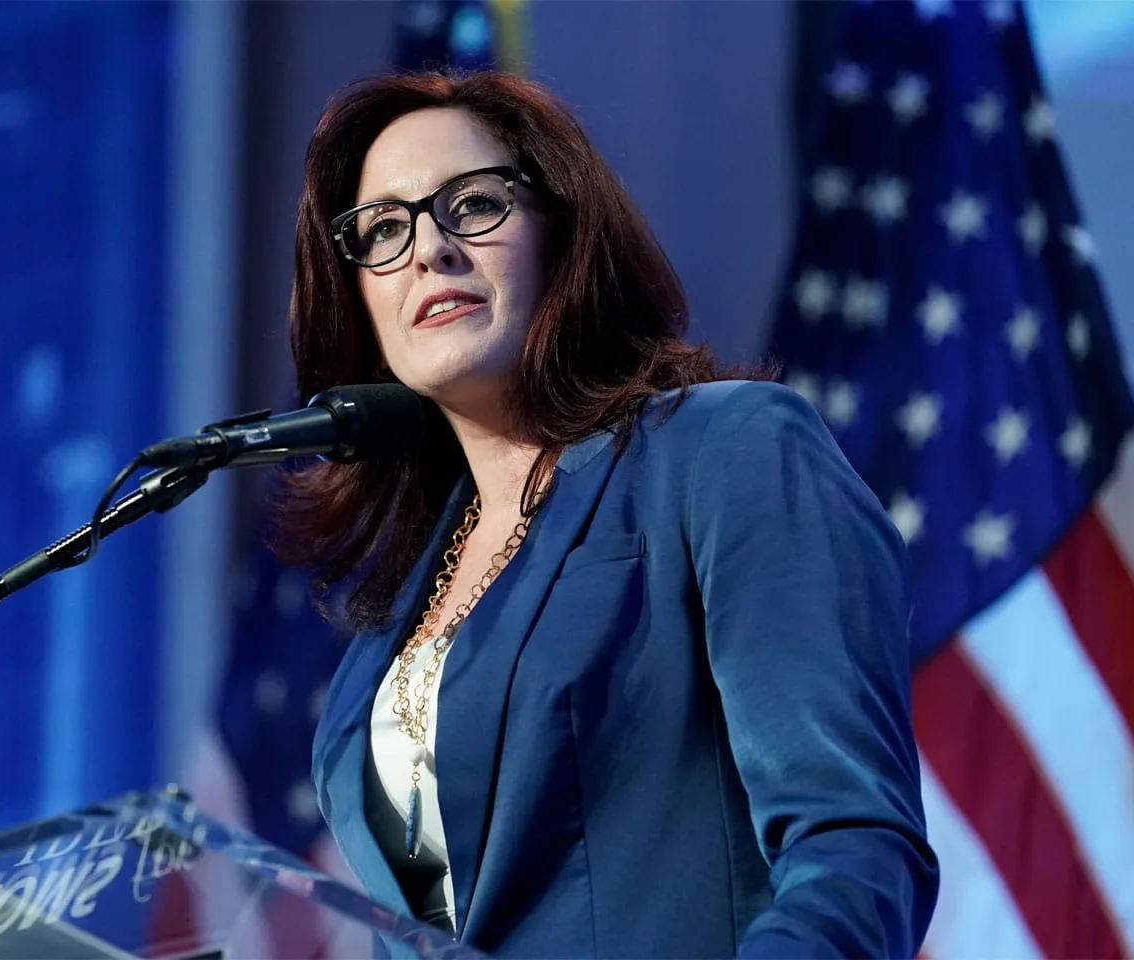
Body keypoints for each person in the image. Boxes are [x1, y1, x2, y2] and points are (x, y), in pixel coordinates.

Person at [274, 69, 939, 958]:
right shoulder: (395, 608)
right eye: (385, 229)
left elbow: (853, 847)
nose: (430, 249)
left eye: (473, 205)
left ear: (562, 230)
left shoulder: (723, 450)